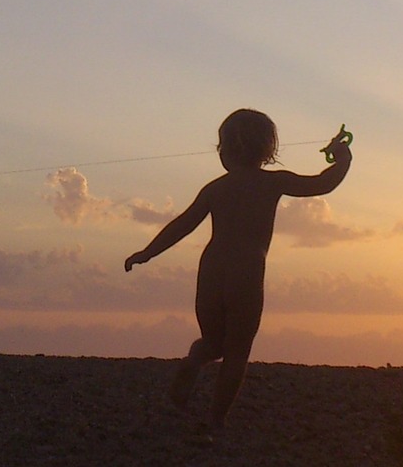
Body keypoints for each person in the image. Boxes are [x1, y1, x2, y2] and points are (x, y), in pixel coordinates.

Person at [125, 109, 352, 432]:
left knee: (213, 343)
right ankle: (216, 420)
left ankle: (192, 364)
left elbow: (183, 225)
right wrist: (342, 159)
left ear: (224, 151)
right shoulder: (275, 182)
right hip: (246, 273)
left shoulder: (215, 189)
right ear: (269, 151)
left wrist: (147, 252)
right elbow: (322, 184)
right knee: (236, 351)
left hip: (212, 270)